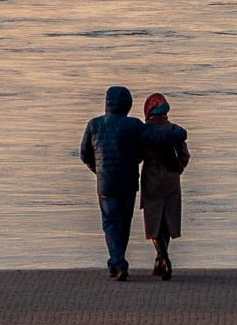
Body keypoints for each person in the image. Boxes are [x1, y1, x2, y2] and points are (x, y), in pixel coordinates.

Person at [79, 86, 145, 280]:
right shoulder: (134, 125)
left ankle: (116, 262)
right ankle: (118, 262)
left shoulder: (94, 124)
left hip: (105, 183)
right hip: (128, 182)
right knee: (124, 223)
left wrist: (98, 170)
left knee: (110, 223)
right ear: (127, 103)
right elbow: (144, 149)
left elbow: (84, 154)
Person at [139, 93, 189, 280]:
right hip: (171, 179)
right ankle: (160, 260)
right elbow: (185, 156)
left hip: (151, 178)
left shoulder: (144, 132)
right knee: (167, 219)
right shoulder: (175, 130)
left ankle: (163, 257)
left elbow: (137, 155)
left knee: (153, 221)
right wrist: (178, 170)